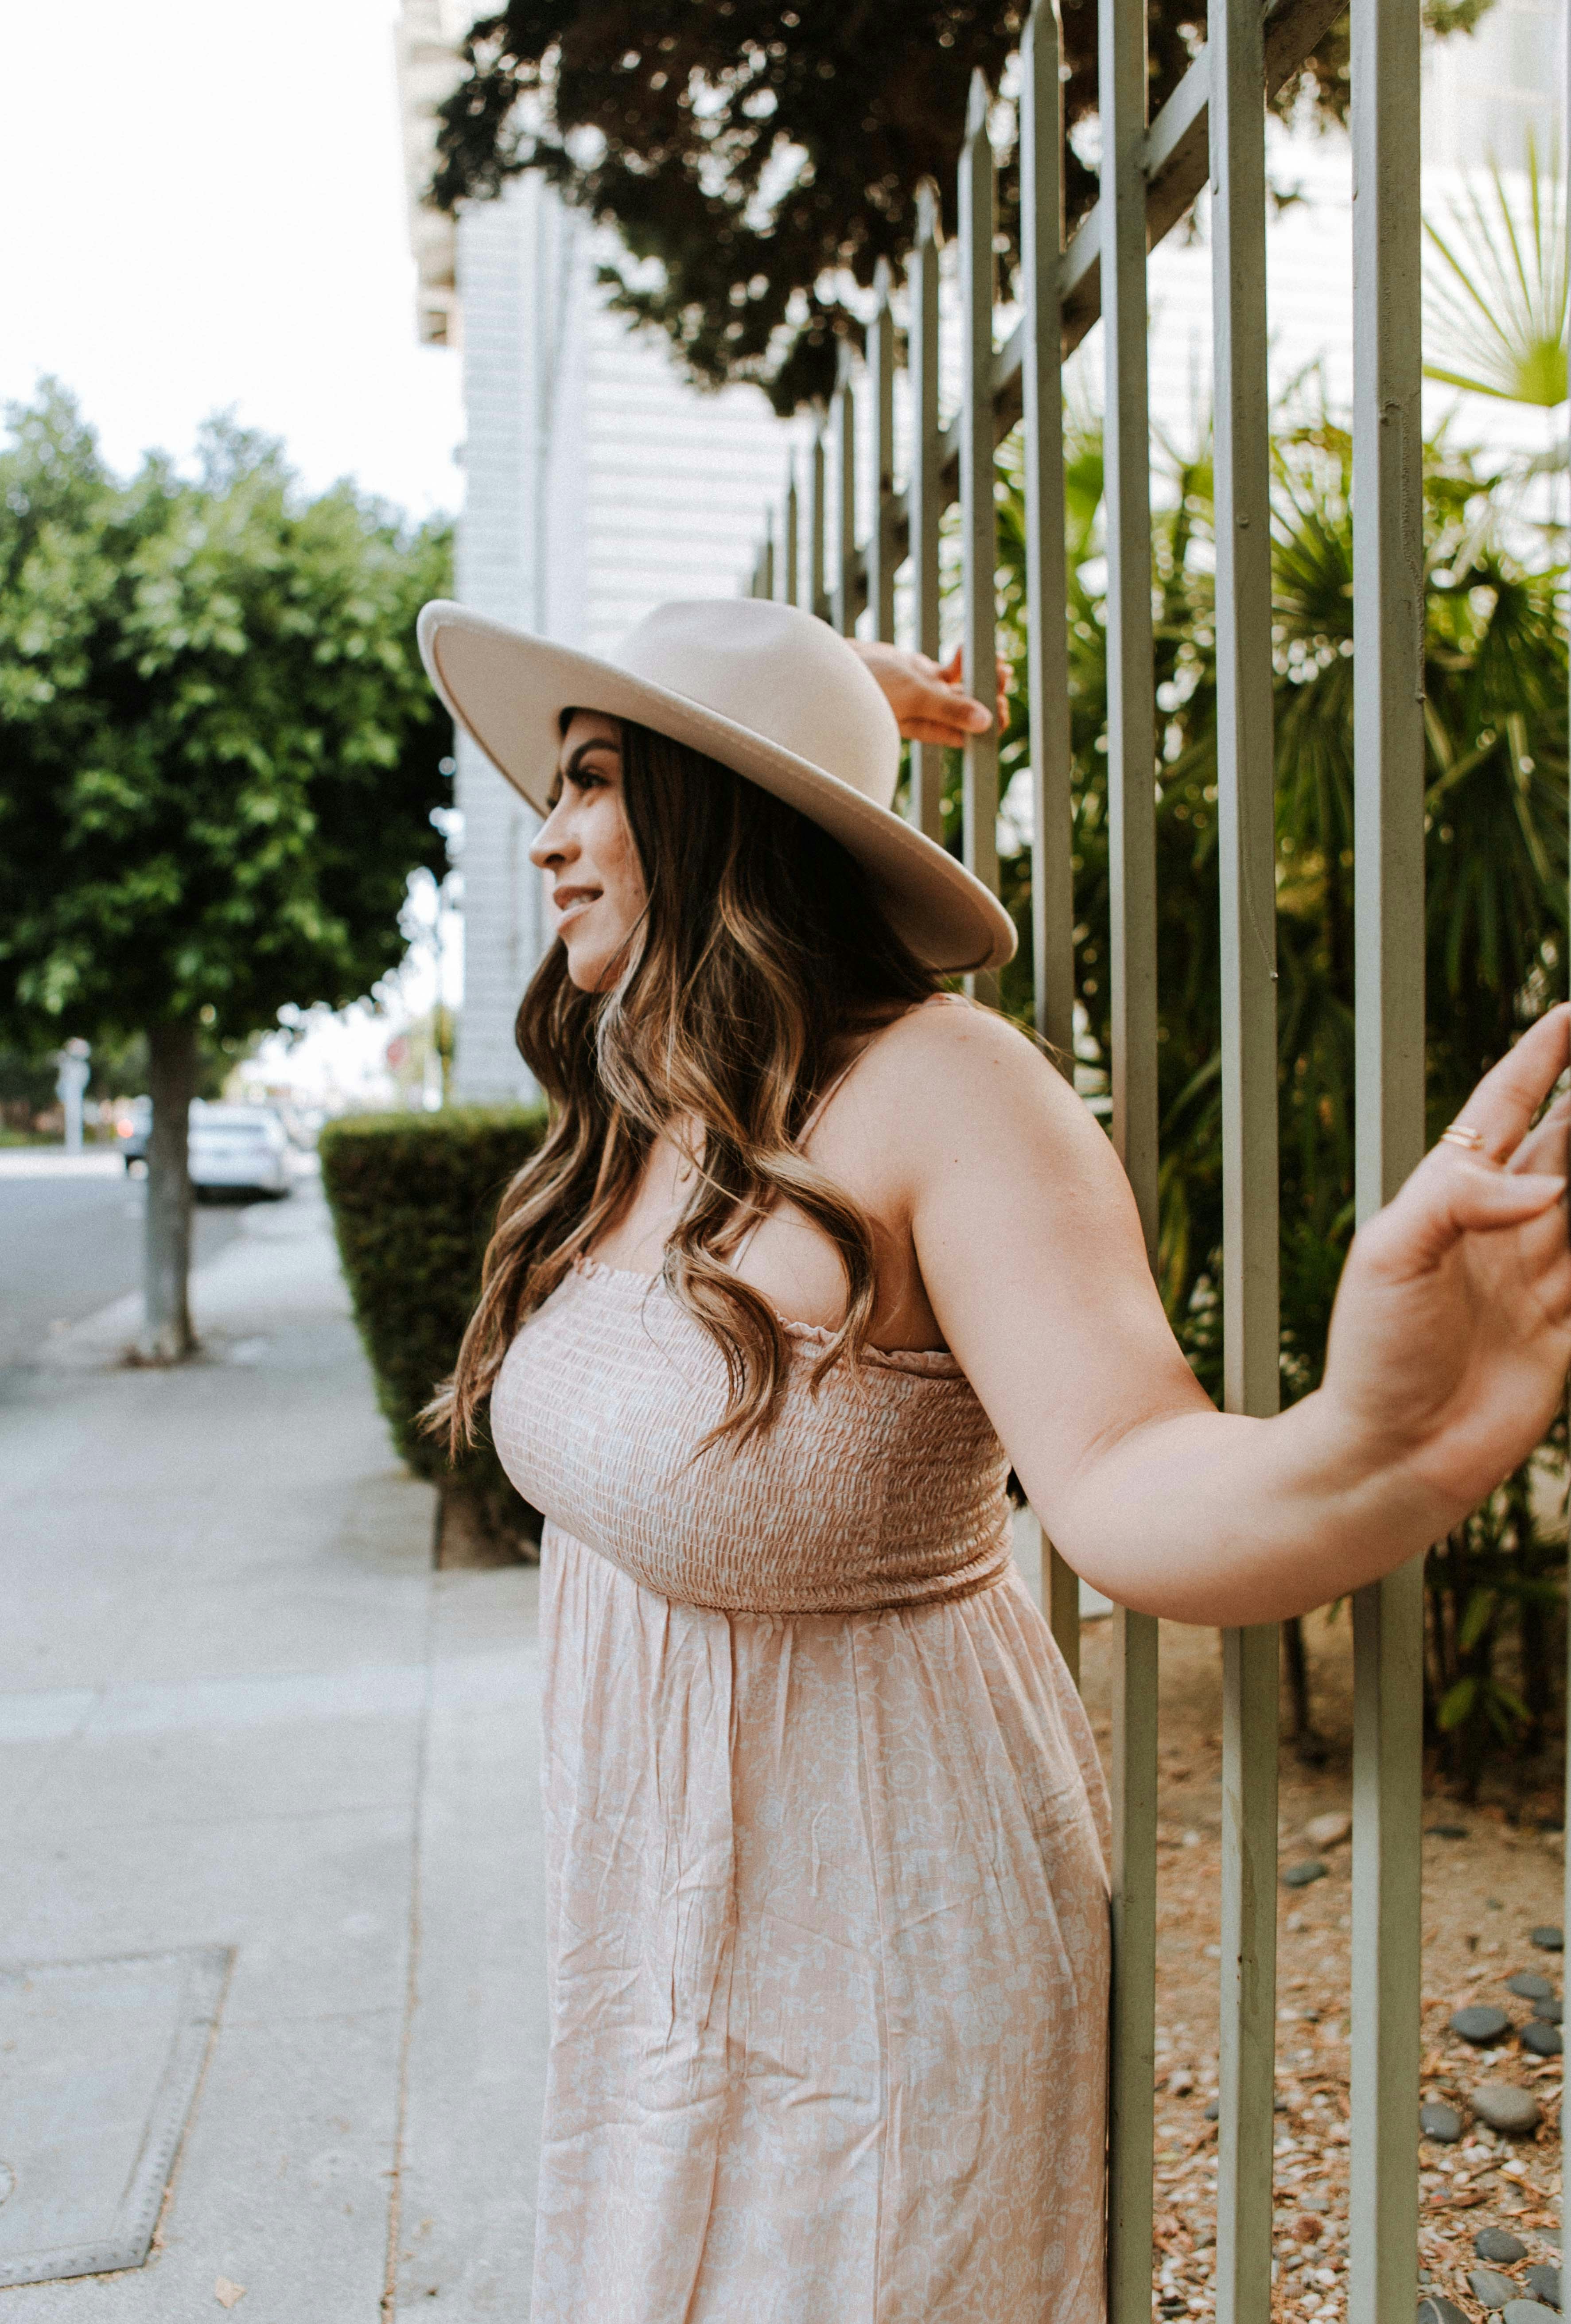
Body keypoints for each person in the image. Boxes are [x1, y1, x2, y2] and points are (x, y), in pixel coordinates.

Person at [417, 595, 1571, 2324]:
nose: (545, 837)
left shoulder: (948, 1091)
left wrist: (1372, 1435)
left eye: (593, 783)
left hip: (883, 1960)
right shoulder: (655, 1106)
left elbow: (1120, 1470)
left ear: (717, 808)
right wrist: (815, 691)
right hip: (658, 1935)